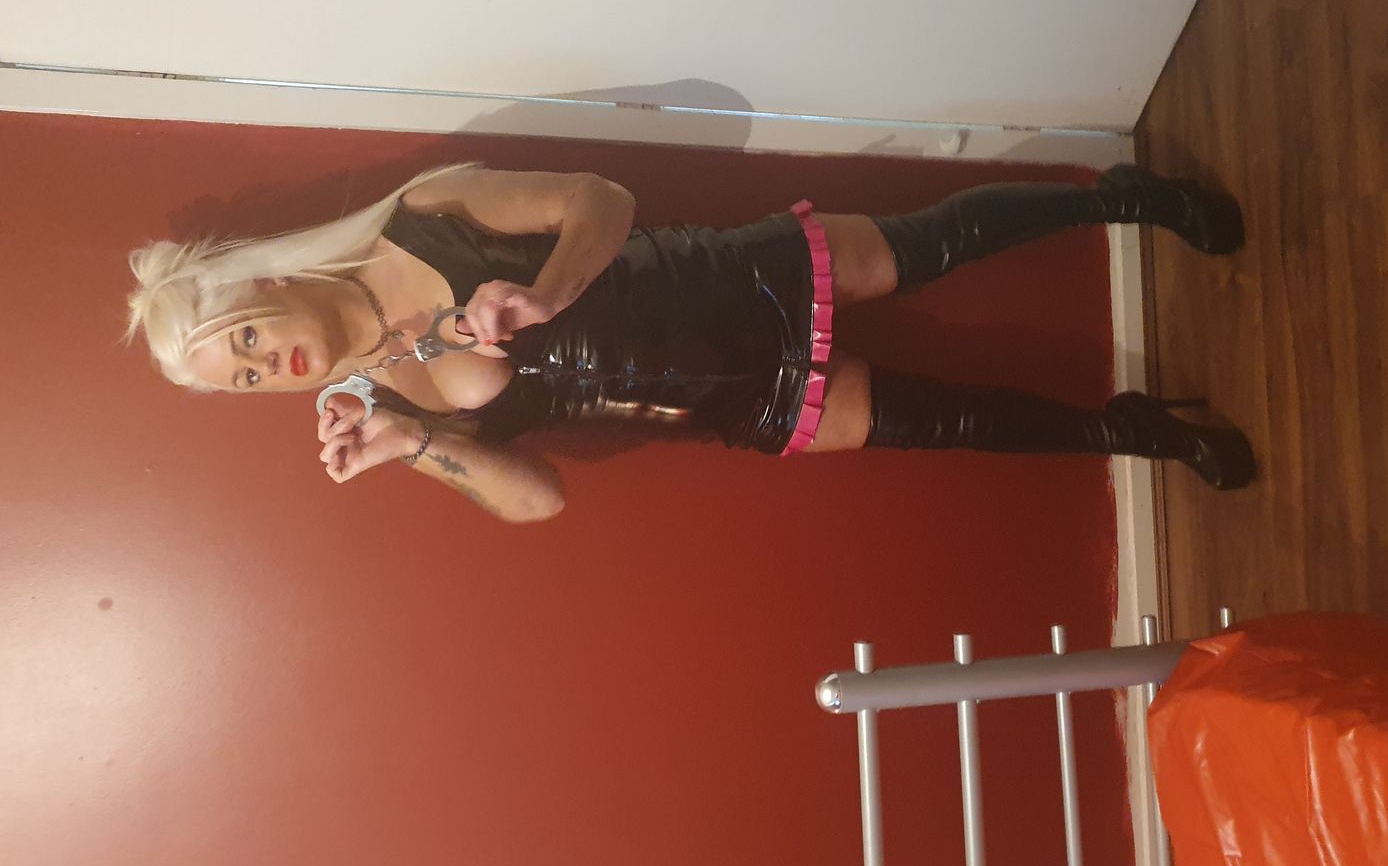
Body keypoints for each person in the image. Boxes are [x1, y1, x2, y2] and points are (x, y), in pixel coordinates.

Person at [125, 162, 1255, 522]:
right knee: (946, 422)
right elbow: (538, 501)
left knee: (936, 242)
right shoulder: (388, 404)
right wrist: (410, 445)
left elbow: (603, 201)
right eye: (244, 380)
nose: (268, 366)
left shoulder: (424, 215)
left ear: (265, 283)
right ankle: (1130, 432)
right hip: (721, 400)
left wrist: (549, 292)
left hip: (734, 277)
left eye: (246, 338)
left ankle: (1123, 199)